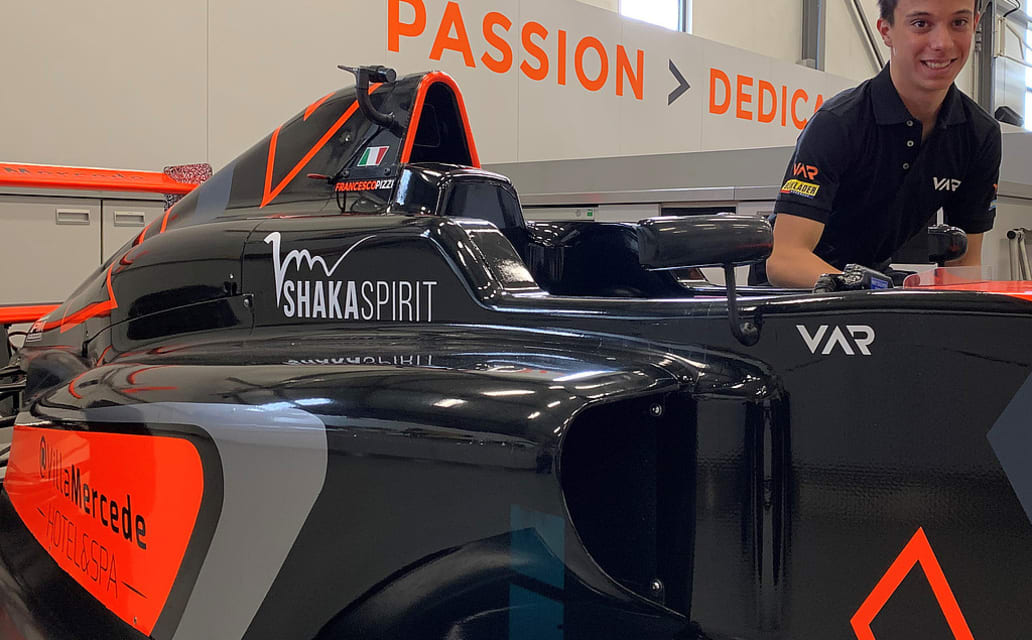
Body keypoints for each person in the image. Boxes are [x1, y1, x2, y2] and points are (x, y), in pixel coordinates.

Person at [760, 0, 1001, 289]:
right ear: (886, 31)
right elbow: (785, 260)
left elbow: (963, 267)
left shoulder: (980, 135)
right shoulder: (837, 123)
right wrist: (876, 291)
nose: (942, 43)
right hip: (794, 295)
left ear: (974, 25)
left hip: (874, 284)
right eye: (921, 24)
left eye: (958, 23)